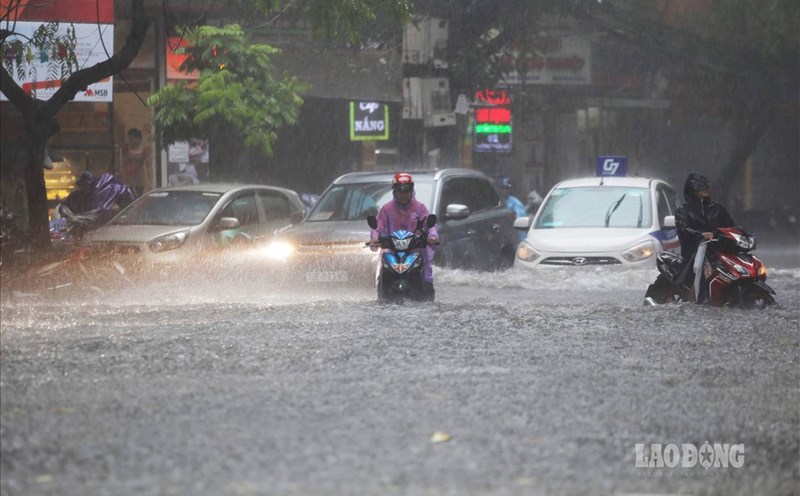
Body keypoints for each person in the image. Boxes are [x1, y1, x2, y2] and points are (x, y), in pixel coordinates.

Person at [370, 172, 439, 301]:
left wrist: (432, 237)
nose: (403, 194)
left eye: (407, 191)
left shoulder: (420, 208)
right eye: (400, 191)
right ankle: (383, 295)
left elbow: (431, 226)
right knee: (382, 269)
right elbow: (377, 228)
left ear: (411, 190)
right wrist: (374, 240)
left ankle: (427, 294)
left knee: (426, 272)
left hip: (415, 251)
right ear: (394, 191)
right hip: (391, 251)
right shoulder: (386, 209)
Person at [674, 171, 736, 302]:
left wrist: (743, 235)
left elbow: (731, 226)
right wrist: (701, 235)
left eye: (706, 186)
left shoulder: (717, 208)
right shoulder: (683, 211)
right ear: (692, 190)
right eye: (700, 187)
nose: (706, 189)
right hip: (695, 256)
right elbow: (684, 230)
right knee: (702, 284)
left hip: (719, 252)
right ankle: (700, 299)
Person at [60, 171, 135, 238]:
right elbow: (63, 207)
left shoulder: (104, 192)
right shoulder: (77, 194)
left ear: (91, 185)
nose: (83, 189)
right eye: (82, 186)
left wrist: (78, 218)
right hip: (82, 229)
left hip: (107, 229)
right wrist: (70, 215)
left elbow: (99, 214)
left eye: (86, 186)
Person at [497, 175, 527, 242]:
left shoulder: (515, 202)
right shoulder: (495, 201)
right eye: (503, 187)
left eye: (506, 188)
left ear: (509, 189)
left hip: (512, 234)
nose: (504, 190)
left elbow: (520, 220)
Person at [122, 128, 151, 197]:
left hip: (140, 181)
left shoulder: (144, 149)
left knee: (139, 200)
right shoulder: (126, 148)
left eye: (133, 139)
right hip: (128, 180)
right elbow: (122, 164)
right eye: (129, 139)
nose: (131, 141)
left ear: (139, 139)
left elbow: (149, 166)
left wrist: (149, 183)